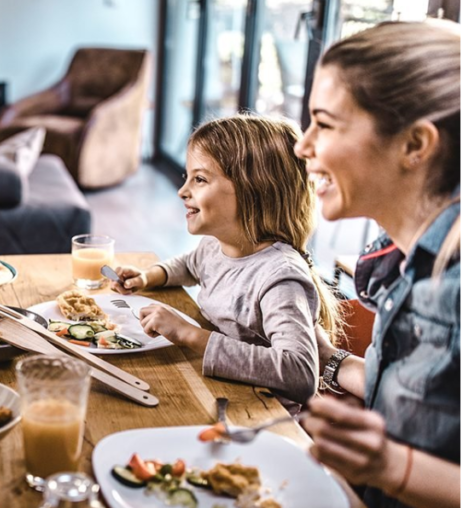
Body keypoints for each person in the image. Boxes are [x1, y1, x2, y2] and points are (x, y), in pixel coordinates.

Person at [294, 21, 460, 508]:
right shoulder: (404, 262)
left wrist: (389, 466)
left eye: (324, 123)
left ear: (415, 145)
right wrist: (332, 363)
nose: (302, 145)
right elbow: (432, 405)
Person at [110, 114, 342, 404]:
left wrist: (190, 335)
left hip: (257, 413)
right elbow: (189, 264)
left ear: (254, 190)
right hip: (215, 390)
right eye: (187, 177)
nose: (183, 191)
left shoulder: (280, 277)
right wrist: (148, 277)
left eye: (200, 179)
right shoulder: (215, 246)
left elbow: (299, 374)